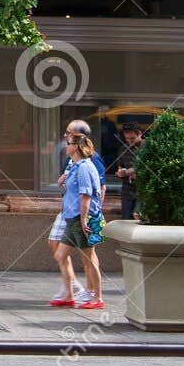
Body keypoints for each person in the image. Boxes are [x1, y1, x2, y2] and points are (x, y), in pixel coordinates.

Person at [51, 130, 104, 311]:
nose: (66, 147)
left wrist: (83, 220)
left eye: (68, 144)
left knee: (89, 258)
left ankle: (97, 297)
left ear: (76, 148)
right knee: (60, 255)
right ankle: (69, 295)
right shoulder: (74, 166)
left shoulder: (83, 167)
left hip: (82, 219)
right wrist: (62, 183)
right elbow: (73, 191)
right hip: (71, 218)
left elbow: (85, 196)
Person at [109, 122, 143, 220]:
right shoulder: (123, 149)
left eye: (132, 138)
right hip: (127, 190)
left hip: (142, 190)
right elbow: (120, 166)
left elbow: (145, 166)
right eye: (127, 138)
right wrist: (120, 172)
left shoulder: (147, 147)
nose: (129, 141)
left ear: (139, 134)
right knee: (126, 219)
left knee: (139, 217)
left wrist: (131, 172)